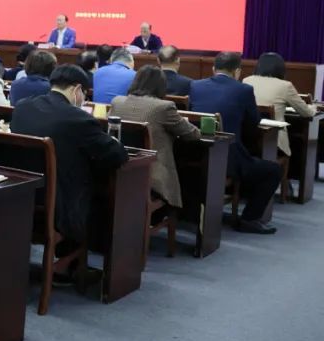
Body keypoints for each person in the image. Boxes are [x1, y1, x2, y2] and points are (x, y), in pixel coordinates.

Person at [12, 65, 128, 244]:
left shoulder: (22, 107)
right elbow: (117, 155)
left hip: (21, 197)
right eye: (84, 94)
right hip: (61, 206)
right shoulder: (78, 118)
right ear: (77, 89)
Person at [189, 52, 282, 234]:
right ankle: (249, 219)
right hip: (227, 156)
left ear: (213, 69)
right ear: (237, 71)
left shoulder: (195, 85)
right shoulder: (244, 90)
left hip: (196, 152)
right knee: (273, 170)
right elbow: (254, 123)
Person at [110, 66, 201, 208]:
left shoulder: (117, 102)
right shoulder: (163, 107)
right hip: (152, 176)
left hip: (121, 169)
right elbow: (193, 134)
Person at [243, 52, 316, 158]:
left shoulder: (247, 81)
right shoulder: (285, 86)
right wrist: (313, 108)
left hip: (248, 141)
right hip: (274, 142)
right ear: (280, 69)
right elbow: (306, 113)